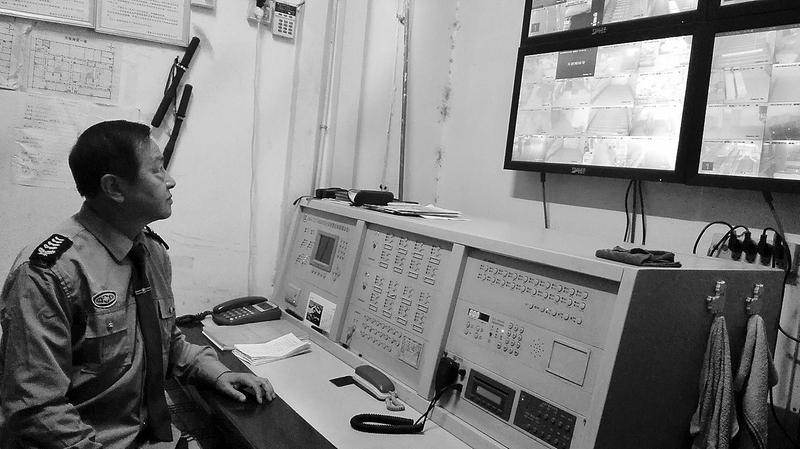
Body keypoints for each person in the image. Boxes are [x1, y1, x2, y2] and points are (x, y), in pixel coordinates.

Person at [0, 120, 275, 449]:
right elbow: (37, 411)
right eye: (157, 170)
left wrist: (218, 373)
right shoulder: (48, 274)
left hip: (153, 436)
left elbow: (167, 343)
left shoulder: (151, 252)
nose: (170, 181)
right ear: (114, 188)